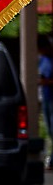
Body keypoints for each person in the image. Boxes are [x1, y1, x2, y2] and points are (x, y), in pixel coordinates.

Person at [39, 36, 53, 168]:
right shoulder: (43, 60)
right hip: (46, 97)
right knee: (49, 129)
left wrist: (47, 82)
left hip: (50, 96)